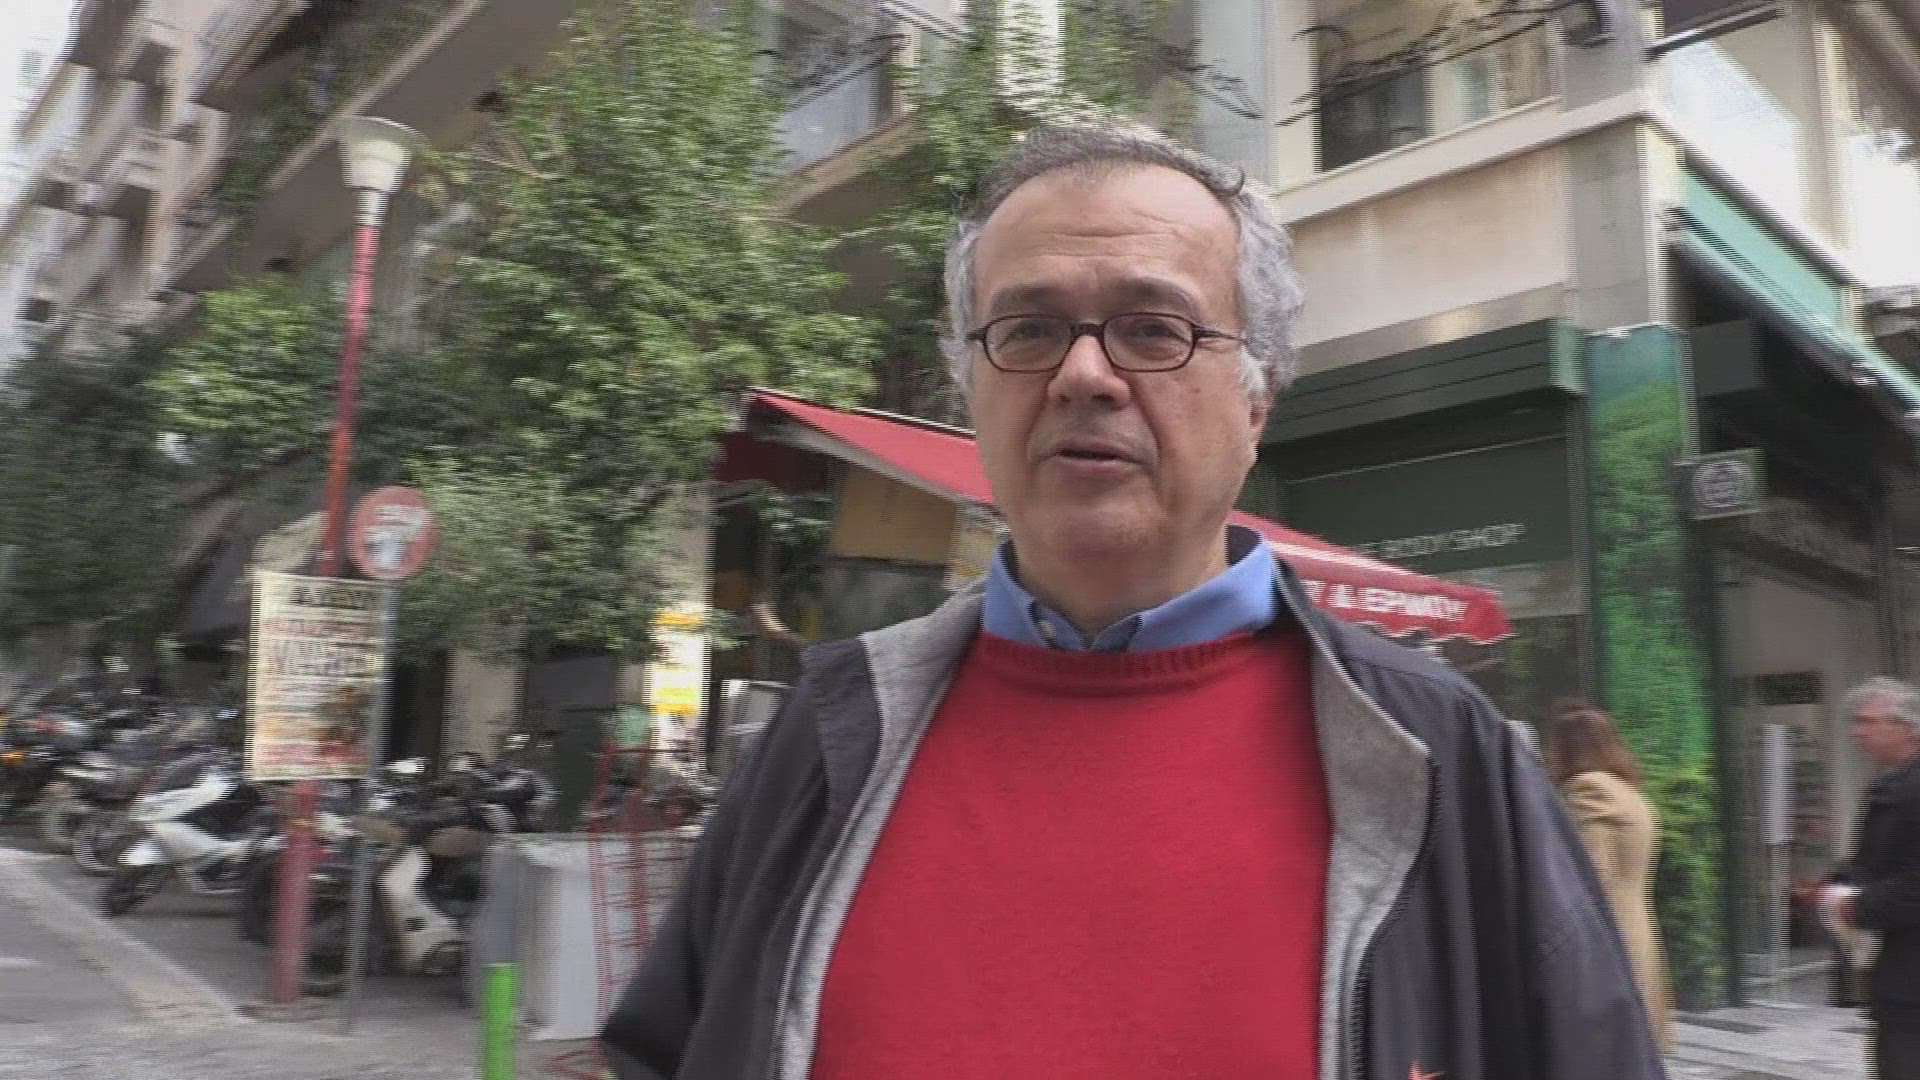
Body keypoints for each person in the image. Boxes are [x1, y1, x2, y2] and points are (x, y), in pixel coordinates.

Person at [599, 124, 1666, 1080]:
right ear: (971, 389)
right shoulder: (828, 737)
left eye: (1154, 329)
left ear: (1257, 401)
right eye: (1027, 330)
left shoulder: (1438, 757)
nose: (1083, 375)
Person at [1547, 703, 1676, 1053]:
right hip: (1638, 929)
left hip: (1606, 936)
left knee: (1604, 1050)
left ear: (1568, 749)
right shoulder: (1630, 793)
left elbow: (1591, 874)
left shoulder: (1588, 788)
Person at [1830, 677, 1920, 1079]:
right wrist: (1838, 883)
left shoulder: (1908, 789)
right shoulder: (1891, 785)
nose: (1856, 732)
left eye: (1867, 721)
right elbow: (1876, 862)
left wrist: (1855, 905)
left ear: (1908, 726)